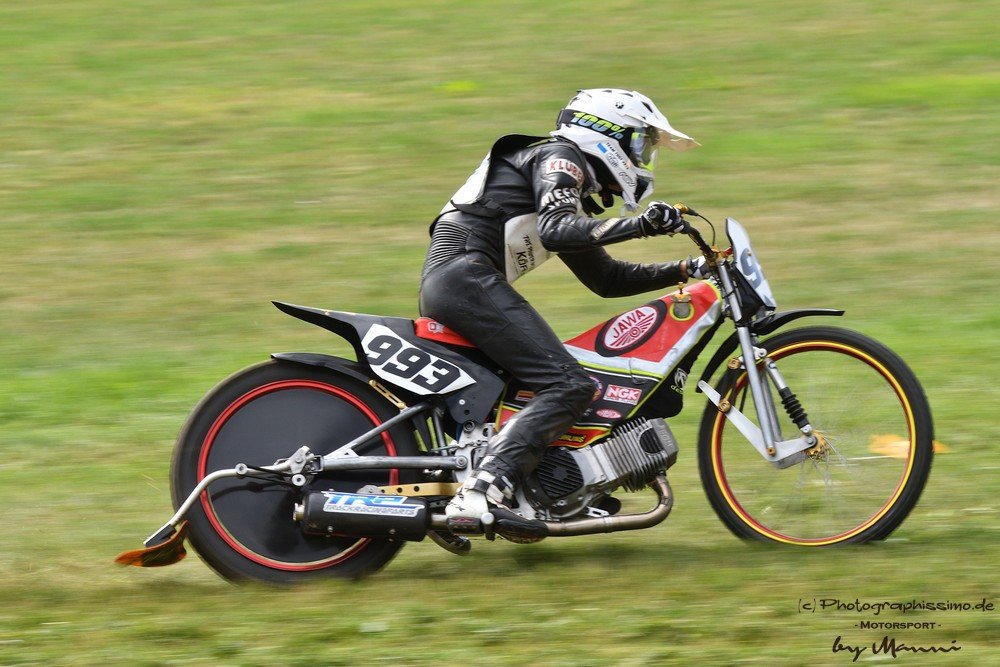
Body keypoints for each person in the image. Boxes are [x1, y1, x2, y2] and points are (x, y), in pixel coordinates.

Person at [419, 88, 707, 540]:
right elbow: (558, 231)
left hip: (463, 280)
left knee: (537, 387)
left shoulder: (559, 181)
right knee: (570, 384)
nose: (644, 158)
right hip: (465, 277)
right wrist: (641, 224)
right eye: (642, 143)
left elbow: (607, 279)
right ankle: (482, 491)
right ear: (608, 134)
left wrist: (690, 270)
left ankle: (531, 490)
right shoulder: (560, 157)